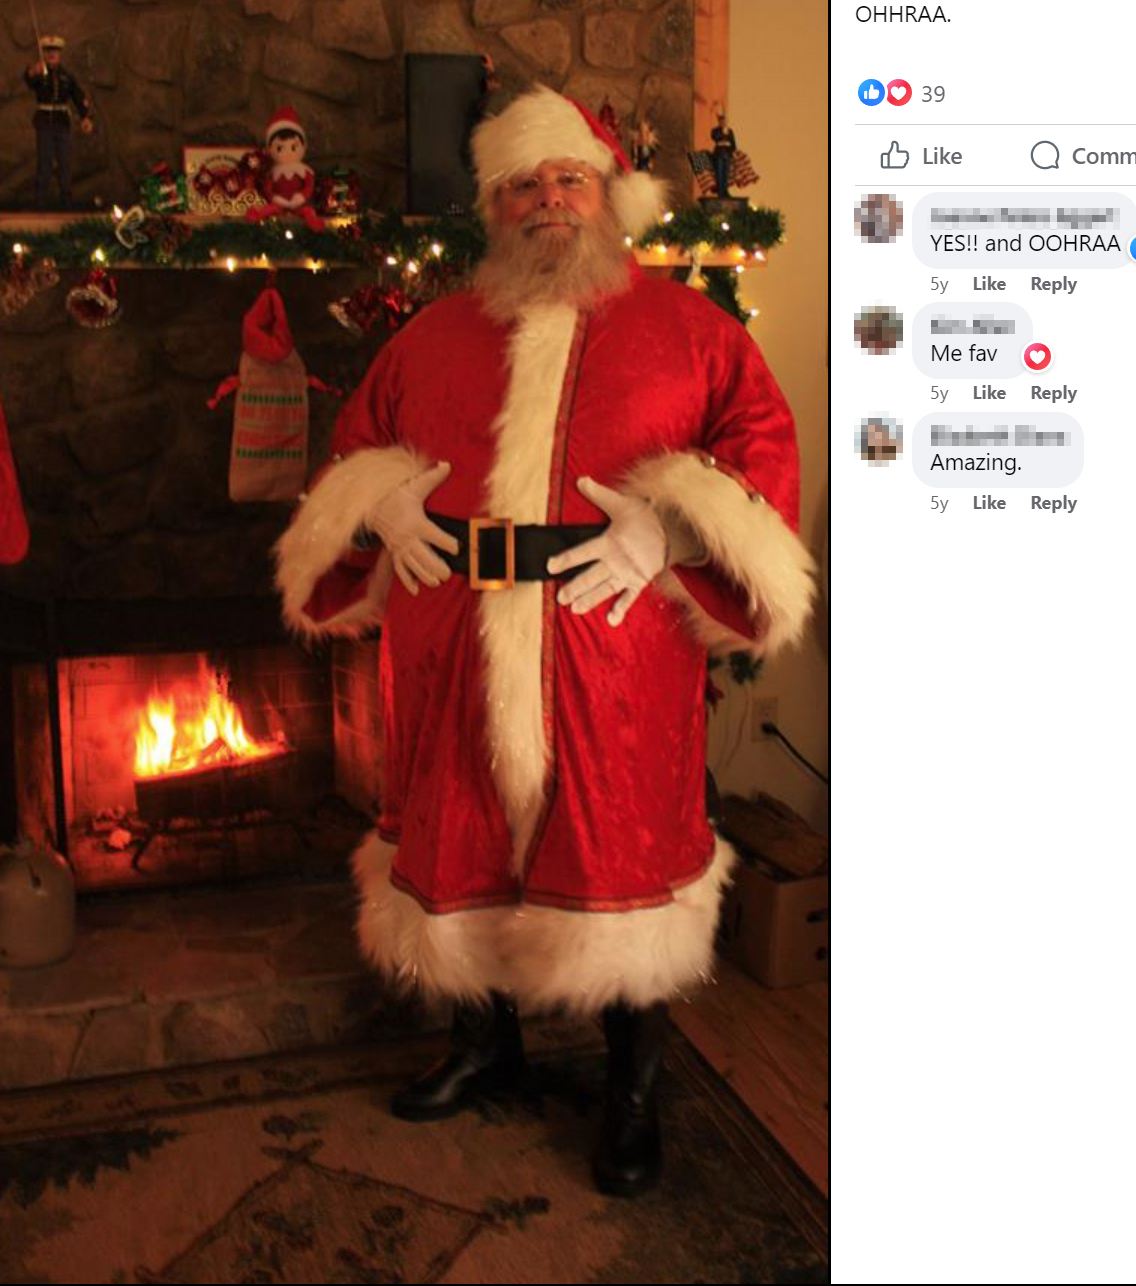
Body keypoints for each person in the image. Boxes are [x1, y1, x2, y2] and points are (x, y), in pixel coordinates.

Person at [275, 86, 815, 1197]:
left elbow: (761, 451)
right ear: (494, 206)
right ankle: (485, 1044)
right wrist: (379, 504)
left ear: (608, 195)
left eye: (568, 177)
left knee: (618, 849)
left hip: (614, 644)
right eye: (523, 183)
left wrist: (671, 528)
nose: (548, 199)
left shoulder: (694, 332)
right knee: (462, 832)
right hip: (452, 634)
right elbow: (356, 447)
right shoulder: (429, 336)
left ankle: (631, 1088)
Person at [23, 35, 93, 210]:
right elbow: (29, 80)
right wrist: (32, 72)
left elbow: (78, 96)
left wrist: (85, 117)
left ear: (60, 54)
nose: (51, 54)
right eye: (48, 51)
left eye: (54, 51)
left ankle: (66, 200)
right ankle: (40, 201)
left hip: (62, 123)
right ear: (44, 53)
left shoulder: (67, 76)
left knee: (64, 162)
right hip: (44, 122)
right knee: (45, 162)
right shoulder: (40, 74)